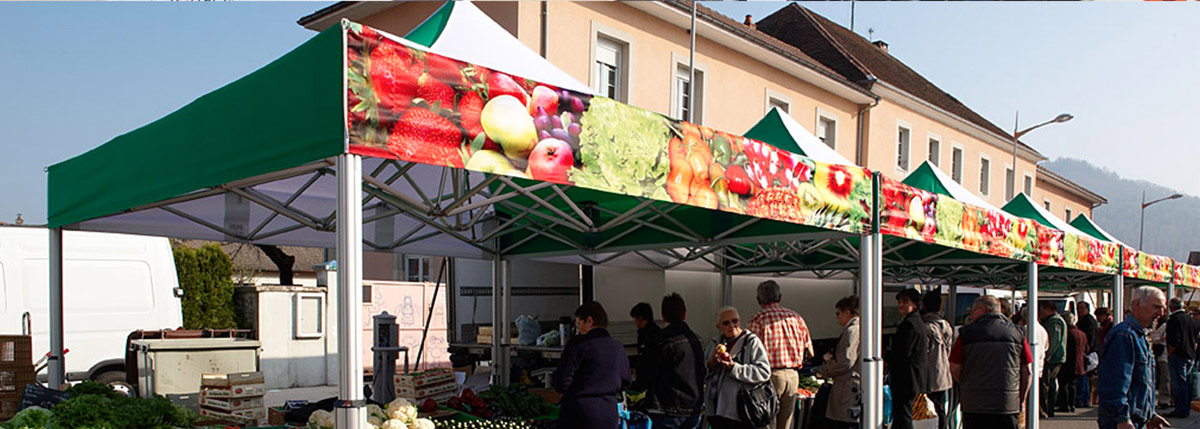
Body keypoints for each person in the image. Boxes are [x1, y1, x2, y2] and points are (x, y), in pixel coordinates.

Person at [949, 295, 1033, 429]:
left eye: (973, 311)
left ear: (982, 310)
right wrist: (1020, 398)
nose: (971, 314)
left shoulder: (966, 333)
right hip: (1006, 405)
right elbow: (1027, 371)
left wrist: (968, 382)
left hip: (974, 404)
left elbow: (954, 367)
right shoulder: (1018, 333)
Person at [1097, 286, 1171, 429]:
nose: (1161, 313)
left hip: (1135, 420)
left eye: (1162, 308)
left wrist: (1150, 415)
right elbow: (1115, 383)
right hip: (1124, 422)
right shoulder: (1124, 336)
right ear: (1137, 304)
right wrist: (1122, 419)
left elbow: (1142, 383)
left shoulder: (1138, 335)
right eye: (1156, 307)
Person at [553, 301, 632, 429]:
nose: (578, 329)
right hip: (608, 414)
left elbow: (562, 382)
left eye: (579, 323)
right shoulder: (617, 346)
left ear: (589, 321)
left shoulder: (578, 344)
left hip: (580, 414)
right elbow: (626, 381)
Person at [746, 280, 813, 429]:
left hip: (769, 376)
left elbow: (749, 353)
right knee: (786, 423)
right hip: (793, 376)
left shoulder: (758, 319)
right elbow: (810, 353)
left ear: (758, 299)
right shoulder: (796, 318)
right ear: (780, 296)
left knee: (766, 421)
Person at [644, 293, 705, 429]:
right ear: (684, 314)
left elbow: (649, 373)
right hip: (693, 410)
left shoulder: (660, 340)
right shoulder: (697, 340)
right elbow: (702, 371)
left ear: (663, 315)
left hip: (667, 409)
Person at [704, 306, 771, 429]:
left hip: (739, 410)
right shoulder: (715, 343)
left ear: (740, 322)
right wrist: (710, 364)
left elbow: (764, 372)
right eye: (726, 323)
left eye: (735, 321)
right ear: (718, 327)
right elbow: (702, 371)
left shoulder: (751, 342)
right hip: (715, 409)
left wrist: (734, 368)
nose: (732, 325)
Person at [885, 288, 929, 429]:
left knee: (903, 414)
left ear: (915, 304)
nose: (901, 305)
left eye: (905, 301)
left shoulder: (910, 324)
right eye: (899, 301)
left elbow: (902, 353)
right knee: (903, 414)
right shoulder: (917, 322)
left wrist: (888, 356)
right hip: (912, 377)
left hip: (906, 378)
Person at [820, 296, 862, 429]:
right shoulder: (860, 328)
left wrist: (826, 369)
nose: (837, 317)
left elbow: (846, 361)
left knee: (844, 423)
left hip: (848, 385)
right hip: (851, 383)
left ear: (847, 312)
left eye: (838, 313)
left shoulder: (852, 331)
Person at [922, 290, 953, 429]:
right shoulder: (945, 325)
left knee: (928, 409)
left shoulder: (925, 326)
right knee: (940, 409)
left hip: (928, 375)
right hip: (943, 373)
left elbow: (923, 353)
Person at [1164, 297, 1198, 417]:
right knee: (1186, 383)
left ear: (1171, 307)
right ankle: (1186, 408)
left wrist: (1170, 352)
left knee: (1179, 384)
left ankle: (1180, 409)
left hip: (1178, 355)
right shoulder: (1191, 319)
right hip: (1189, 354)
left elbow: (1174, 339)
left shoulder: (1174, 319)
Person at [1013, 307, 1049, 418]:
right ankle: (1039, 411)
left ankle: (1029, 414)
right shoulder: (1043, 330)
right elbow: (1047, 346)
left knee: (1027, 392)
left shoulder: (1024, 329)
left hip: (1026, 364)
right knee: (1038, 390)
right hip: (1039, 363)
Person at [1039, 301, 1068, 418]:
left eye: (1041, 310)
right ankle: (1048, 409)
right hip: (1057, 358)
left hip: (1053, 359)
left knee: (1046, 384)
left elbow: (1054, 342)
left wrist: (1046, 356)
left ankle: (1046, 409)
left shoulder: (1054, 322)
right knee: (1050, 384)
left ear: (1047, 309)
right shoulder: (1056, 321)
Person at [630, 302, 662, 392]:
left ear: (640, 318)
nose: (634, 322)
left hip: (650, 380)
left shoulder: (651, 335)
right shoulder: (648, 333)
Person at [1060, 312, 1088, 413]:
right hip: (1079, 363)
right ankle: (1072, 405)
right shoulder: (1081, 334)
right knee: (1073, 385)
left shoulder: (1066, 333)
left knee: (1064, 385)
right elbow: (1087, 348)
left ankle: (1065, 405)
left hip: (1068, 363)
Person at [1077, 301, 1099, 409]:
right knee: (1085, 376)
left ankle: (1084, 399)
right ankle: (1085, 399)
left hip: (1088, 352)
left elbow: (1091, 337)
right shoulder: (1085, 320)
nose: (1079, 311)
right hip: (1088, 351)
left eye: (1081, 308)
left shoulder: (1088, 321)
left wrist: (1087, 349)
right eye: (1078, 308)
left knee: (1084, 375)